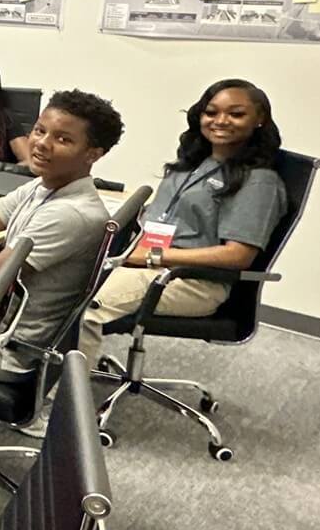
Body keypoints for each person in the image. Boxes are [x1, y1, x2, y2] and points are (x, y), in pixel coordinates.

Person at [0, 90, 123, 431]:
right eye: (39, 130)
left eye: (62, 139)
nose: (42, 144)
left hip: (3, 349)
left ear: (93, 154)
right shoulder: (44, 185)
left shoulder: (71, 214)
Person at [78, 79, 285, 370]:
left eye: (236, 114)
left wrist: (152, 257)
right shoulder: (193, 164)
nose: (220, 121)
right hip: (140, 262)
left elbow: (238, 255)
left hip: (189, 280)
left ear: (260, 119)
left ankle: (63, 406)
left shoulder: (258, 181)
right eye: (211, 112)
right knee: (52, 283)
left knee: (81, 308)